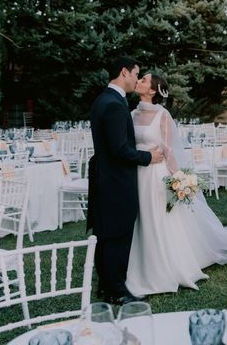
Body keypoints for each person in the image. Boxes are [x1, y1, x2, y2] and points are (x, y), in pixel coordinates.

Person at [125, 73, 227, 295]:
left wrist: (178, 178)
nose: (140, 81)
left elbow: (169, 150)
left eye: (144, 80)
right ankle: (140, 263)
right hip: (137, 173)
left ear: (152, 90)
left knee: (158, 218)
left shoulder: (162, 115)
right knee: (140, 218)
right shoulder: (131, 113)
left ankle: (164, 266)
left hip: (156, 175)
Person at [88, 57, 164, 305]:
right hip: (116, 180)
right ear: (124, 72)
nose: (136, 79)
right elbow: (119, 149)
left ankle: (105, 285)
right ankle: (117, 290)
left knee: (107, 234)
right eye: (136, 74)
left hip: (106, 178)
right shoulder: (114, 105)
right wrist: (148, 157)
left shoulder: (104, 99)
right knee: (117, 235)